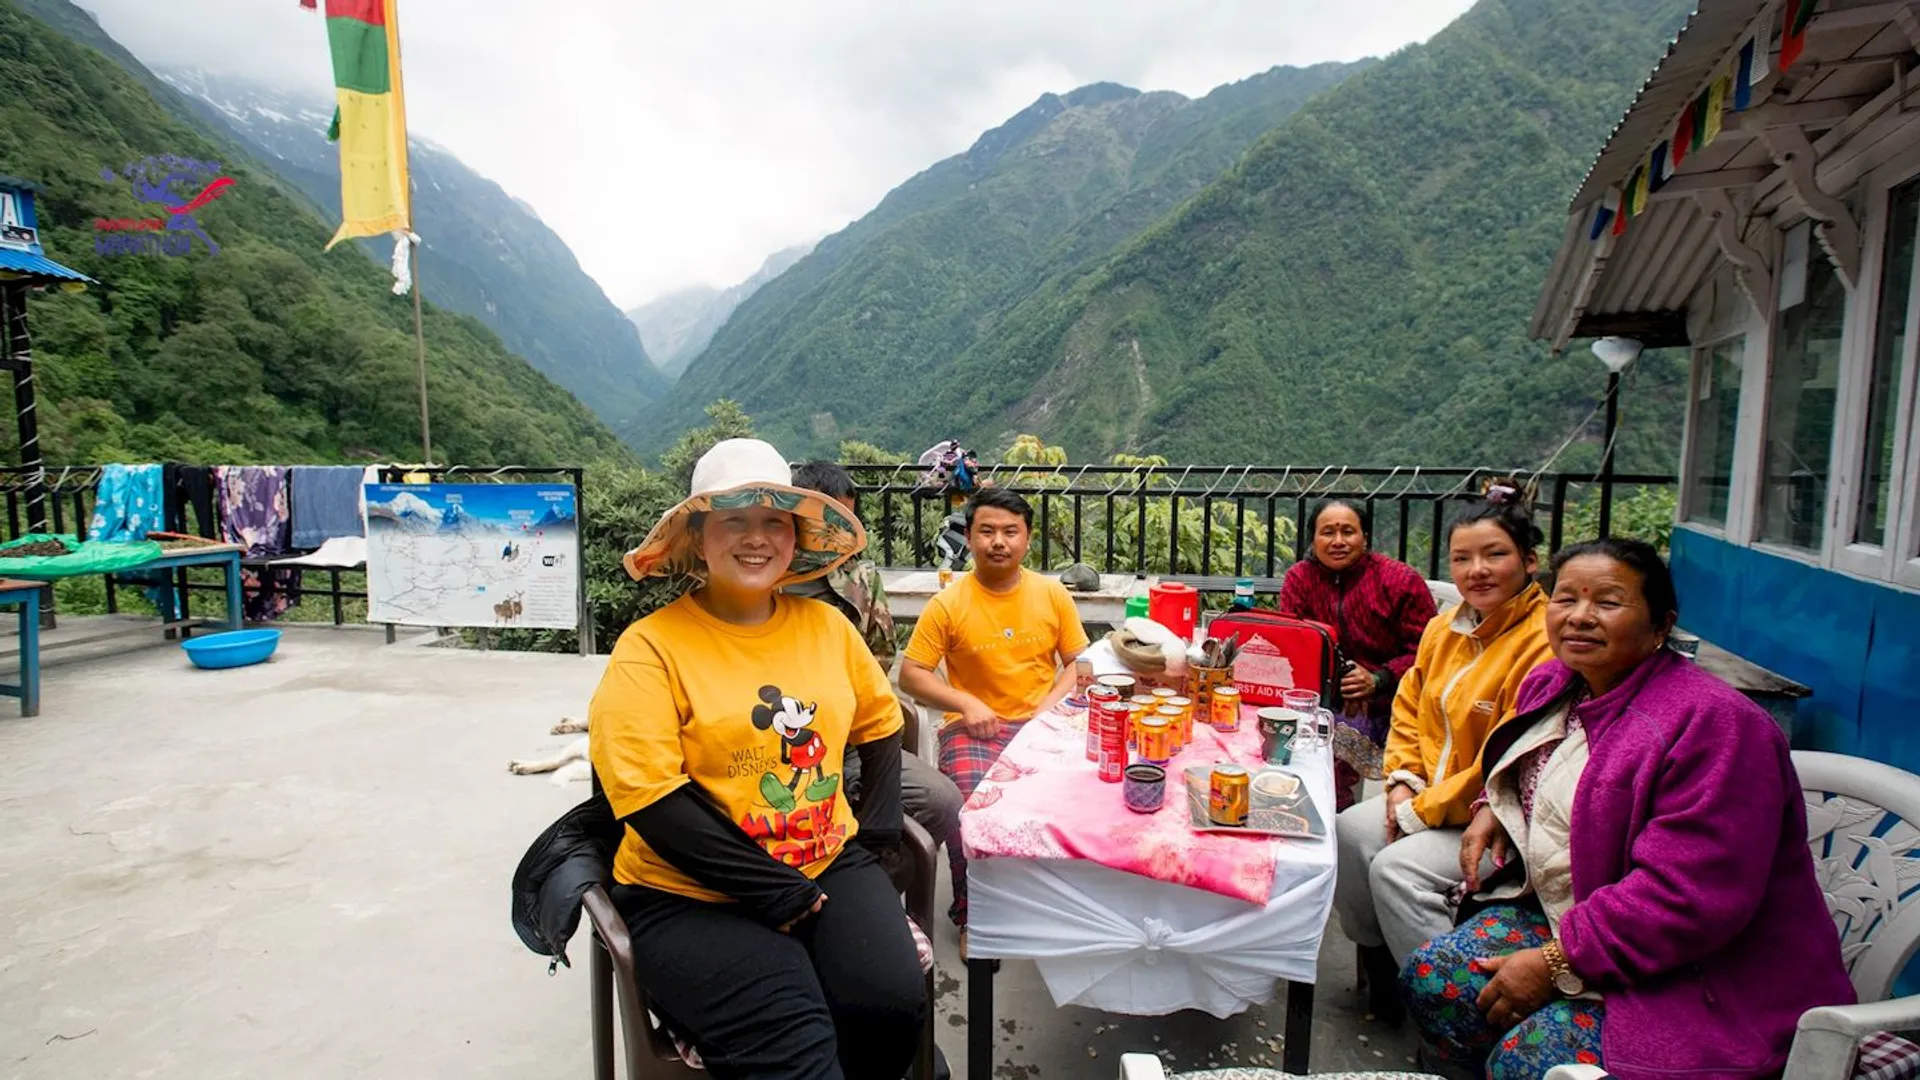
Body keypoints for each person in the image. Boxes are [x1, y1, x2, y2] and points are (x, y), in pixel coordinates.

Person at [1400, 539, 1853, 1078]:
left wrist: (1555, 962)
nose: (1581, 618)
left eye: (1609, 603)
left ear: (1662, 626)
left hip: (1705, 970)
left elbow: (1687, 896)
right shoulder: (1557, 682)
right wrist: (1489, 806)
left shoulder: (1718, 727)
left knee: (1531, 1059)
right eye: (1566, 599)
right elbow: (1528, 762)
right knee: (1435, 979)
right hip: (1577, 912)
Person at [587, 438, 925, 1080]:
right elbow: (648, 797)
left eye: (775, 522)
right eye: (734, 520)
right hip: (686, 892)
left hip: (826, 859)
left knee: (888, 1002)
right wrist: (773, 890)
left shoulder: (829, 630)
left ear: (796, 539)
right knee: (790, 1033)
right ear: (697, 535)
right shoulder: (650, 649)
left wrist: (878, 838)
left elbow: (882, 725)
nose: (756, 538)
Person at [1332, 485, 1554, 1023]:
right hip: (1428, 796)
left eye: (1494, 555)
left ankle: (1455, 1013)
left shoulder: (1543, 641)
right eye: (1462, 558)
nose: (1477, 570)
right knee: (1348, 832)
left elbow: (1506, 756)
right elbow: (1410, 704)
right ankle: (1381, 967)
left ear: (1528, 561)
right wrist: (1403, 781)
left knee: (1396, 870)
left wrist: (1419, 811)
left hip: (1495, 815)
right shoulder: (1446, 627)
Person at [899, 487, 1089, 955]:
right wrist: (965, 702)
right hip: (972, 729)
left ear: (1027, 540)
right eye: (986, 531)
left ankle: (1046, 904)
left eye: (1010, 532)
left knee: (1072, 806)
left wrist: (1048, 706)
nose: (998, 542)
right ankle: (974, 917)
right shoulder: (950, 603)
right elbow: (911, 674)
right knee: (968, 816)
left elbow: (1078, 665)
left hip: (1044, 726)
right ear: (969, 536)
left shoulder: (1051, 593)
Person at [786, 460, 964, 854]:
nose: (840, 530)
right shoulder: (767, 575)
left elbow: (880, 657)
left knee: (941, 802)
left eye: (847, 517)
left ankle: (872, 881)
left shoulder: (859, 580)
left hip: (847, 735)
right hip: (777, 735)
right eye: (828, 517)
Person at [1277, 499, 1437, 810]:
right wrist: (1338, 683)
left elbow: (1429, 650)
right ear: (1313, 540)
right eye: (1327, 532)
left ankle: (1333, 820)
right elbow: (1295, 644)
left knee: (1328, 750)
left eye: (1348, 531)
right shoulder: (1300, 579)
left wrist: (1379, 679)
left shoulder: (1399, 580)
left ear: (1364, 537)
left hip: (1391, 702)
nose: (1338, 541)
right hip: (1323, 696)